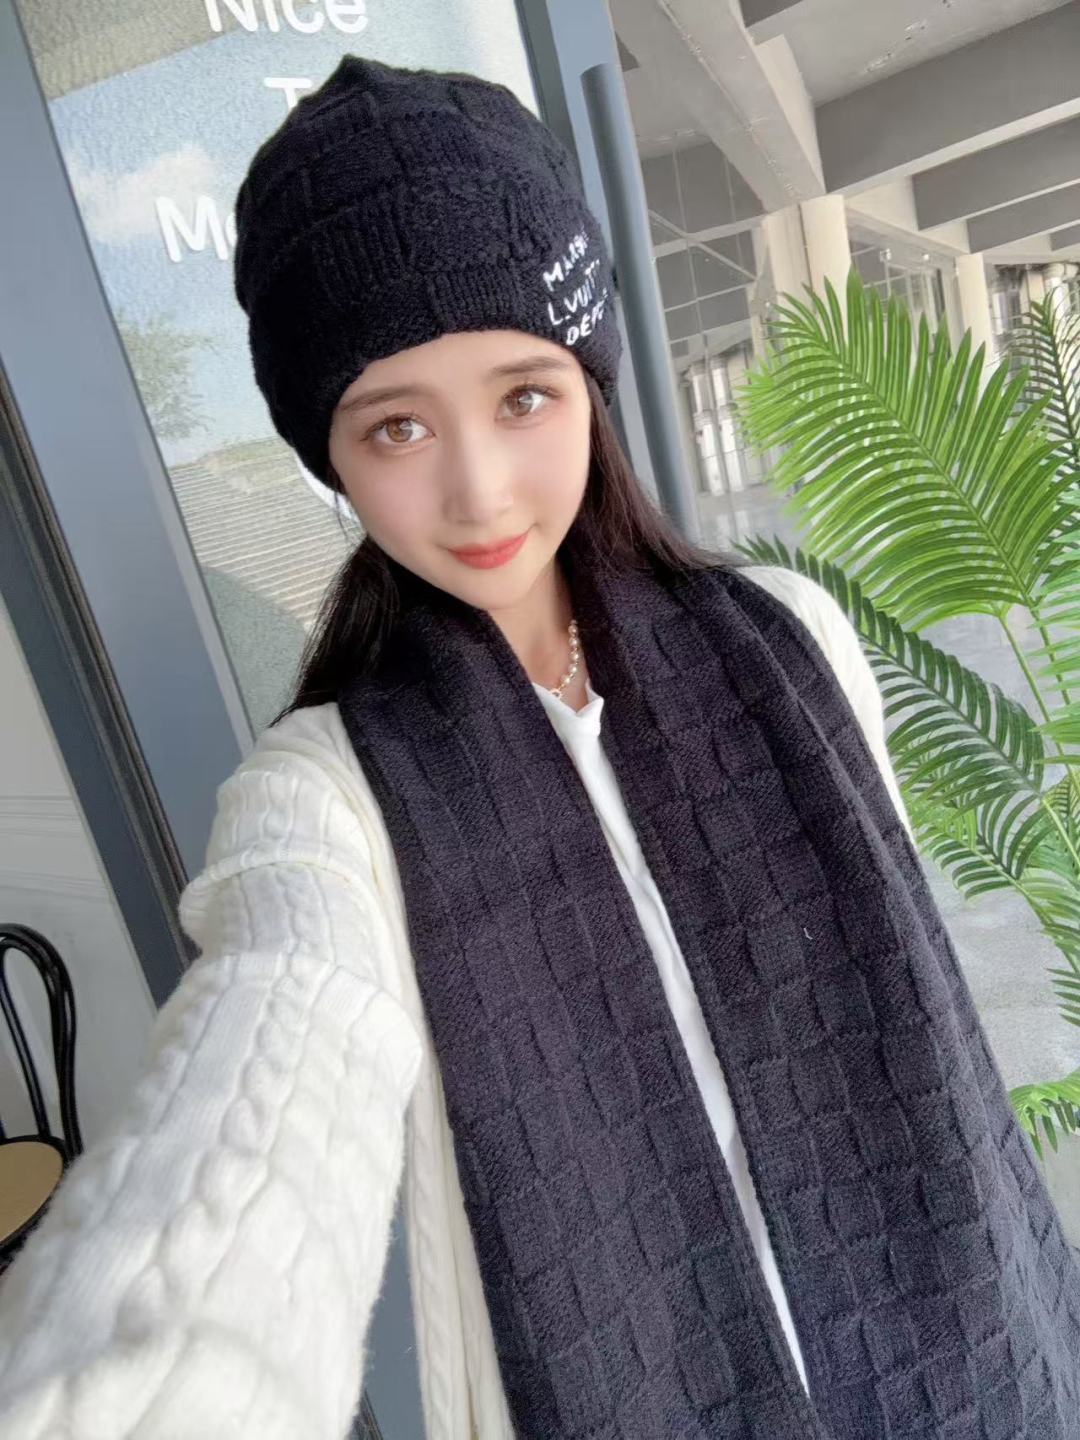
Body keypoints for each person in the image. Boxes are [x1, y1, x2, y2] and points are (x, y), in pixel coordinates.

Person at [1, 53, 1078, 1440]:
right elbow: (267, 1068)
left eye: (523, 396)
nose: (479, 490)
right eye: (397, 425)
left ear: (589, 380)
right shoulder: (326, 799)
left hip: (975, 1365)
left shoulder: (796, 642)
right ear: (332, 454)